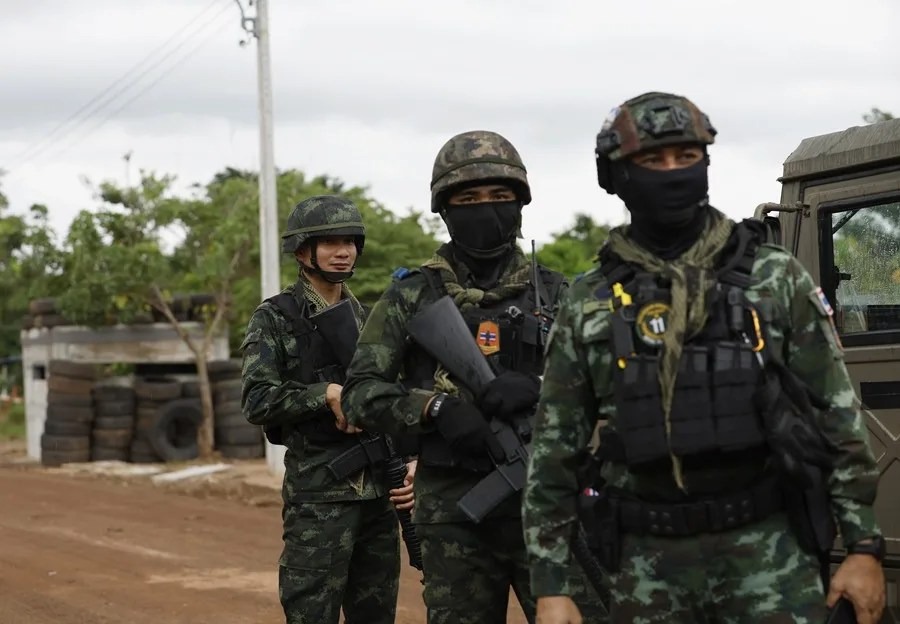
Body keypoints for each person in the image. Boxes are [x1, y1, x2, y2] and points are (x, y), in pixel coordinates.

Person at [523, 91, 886, 624]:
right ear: (616, 174)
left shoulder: (773, 276)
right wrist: (551, 584)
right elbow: (555, 451)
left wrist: (862, 548)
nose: (672, 172)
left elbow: (837, 417)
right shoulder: (590, 299)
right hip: (647, 566)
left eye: (687, 157)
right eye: (652, 160)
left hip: (769, 555)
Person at [341, 130, 607, 624]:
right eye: (469, 199)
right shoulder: (412, 296)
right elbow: (360, 393)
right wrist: (434, 409)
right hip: (453, 510)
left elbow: (609, 384)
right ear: (445, 208)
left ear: (520, 203)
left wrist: (544, 388)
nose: (486, 208)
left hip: (548, 505)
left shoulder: (556, 293)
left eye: (500, 197)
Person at [240, 195, 409, 624]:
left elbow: (397, 397)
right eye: (330, 242)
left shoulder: (369, 320)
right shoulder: (276, 318)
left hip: (378, 496)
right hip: (320, 496)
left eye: (350, 241)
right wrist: (326, 394)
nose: (343, 251)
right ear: (302, 251)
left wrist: (410, 462)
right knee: (310, 613)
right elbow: (257, 400)